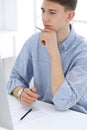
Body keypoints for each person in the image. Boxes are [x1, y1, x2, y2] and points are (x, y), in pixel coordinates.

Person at [7, 0, 87, 114]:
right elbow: (14, 78)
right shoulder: (34, 41)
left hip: (75, 117)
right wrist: (20, 92)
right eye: (43, 11)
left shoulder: (83, 52)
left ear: (69, 16)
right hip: (42, 113)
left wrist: (54, 53)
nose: (44, 18)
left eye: (52, 12)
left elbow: (63, 102)